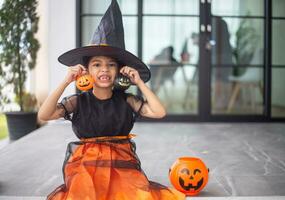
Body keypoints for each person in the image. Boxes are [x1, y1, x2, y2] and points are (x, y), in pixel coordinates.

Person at [38, 0, 185, 199]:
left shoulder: (126, 100)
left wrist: (139, 83)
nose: (104, 69)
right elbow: (44, 114)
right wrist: (65, 81)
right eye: (97, 65)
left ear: (118, 71)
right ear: (87, 71)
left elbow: (159, 112)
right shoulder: (79, 101)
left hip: (121, 165)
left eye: (111, 65)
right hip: (86, 166)